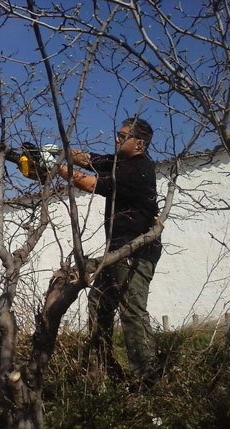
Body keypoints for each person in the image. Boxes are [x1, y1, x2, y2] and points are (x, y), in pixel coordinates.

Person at [57, 117, 162, 388]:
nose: (117, 138)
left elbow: (92, 184)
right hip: (115, 252)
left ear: (139, 143)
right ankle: (102, 369)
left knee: (132, 313)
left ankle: (146, 378)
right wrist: (59, 152)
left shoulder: (138, 170)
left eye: (123, 135)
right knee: (99, 305)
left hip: (135, 251)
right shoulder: (121, 162)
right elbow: (90, 160)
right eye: (117, 133)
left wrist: (58, 169)